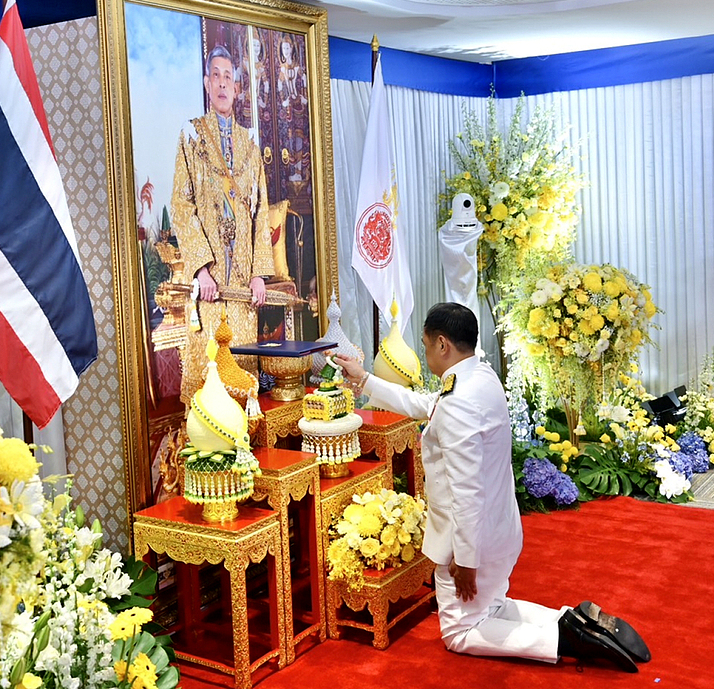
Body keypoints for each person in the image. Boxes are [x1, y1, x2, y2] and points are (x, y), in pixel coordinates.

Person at [334, 302, 650, 671]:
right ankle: (571, 619)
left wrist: (465, 562)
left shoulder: (457, 401)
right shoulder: (481, 377)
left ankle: (565, 638)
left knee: (460, 632)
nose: (425, 353)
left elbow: (465, 493)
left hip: (472, 545)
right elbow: (427, 405)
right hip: (501, 531)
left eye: (424, 345)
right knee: (492, 605)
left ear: (441, 344)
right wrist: (364, 379)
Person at [171, 45, 274, 404]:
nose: (221, 83)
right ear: (206, 82)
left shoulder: (250, 143)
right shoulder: (191, 136)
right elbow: (181, 206)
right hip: (211, 285)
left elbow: (261, 211)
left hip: (243, 284)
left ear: (237, 87)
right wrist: (200, 269)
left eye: (228, 77)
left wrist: (260, 273)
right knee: (208, 378)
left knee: (243, 375)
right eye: (215, 75)